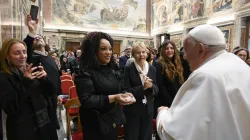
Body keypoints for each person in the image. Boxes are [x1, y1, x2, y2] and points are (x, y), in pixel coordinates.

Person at [157, 24, 250, 140]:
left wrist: (162, 114)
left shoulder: (205, 75)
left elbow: (173, 134)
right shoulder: (240, 65)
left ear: (201, 49)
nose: (184, 56)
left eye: (185, 50)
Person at [74, 32, 136, 140]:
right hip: (95, 123)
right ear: (93, 51)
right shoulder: (84, 71)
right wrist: (115, 97)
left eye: (110, 49)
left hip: (112, 119)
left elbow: (120, 88)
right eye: (103, 49)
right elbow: (87, 100)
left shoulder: (112, 68)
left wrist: (125, 94)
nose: (108, 53)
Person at [0, 39, 58, 140]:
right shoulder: (4, 77)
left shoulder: (32, 69)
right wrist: (26, 81)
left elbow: (51, 93)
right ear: (7, 56)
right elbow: (10, 107)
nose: (23, 56)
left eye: (24, 52)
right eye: (17, 53)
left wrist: (45, 79)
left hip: (44, 123)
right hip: (24, 130)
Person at [23, 14, 62, 130]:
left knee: (53, 128)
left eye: (40, 37)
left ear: (45, 43)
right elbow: (26, 46)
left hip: (53, 96)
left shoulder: (49, 57)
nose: (38, 38)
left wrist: (59, 93)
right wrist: (31, 31)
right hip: (42, 100)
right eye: (35, 38)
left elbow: (56, 77)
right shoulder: (32, 57)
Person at [123, 42, 158, 140]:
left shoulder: (152, 69)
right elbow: (125, 90)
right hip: (133, 109)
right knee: (132, 136)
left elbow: (156, 88)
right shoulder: (129, 68)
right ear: (133, 55)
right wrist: (142, 87)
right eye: (138, 52)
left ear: (147, 54)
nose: (141, 55)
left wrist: (151, 86)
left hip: (148, 109)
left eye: (143, 52)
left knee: (146, 136)